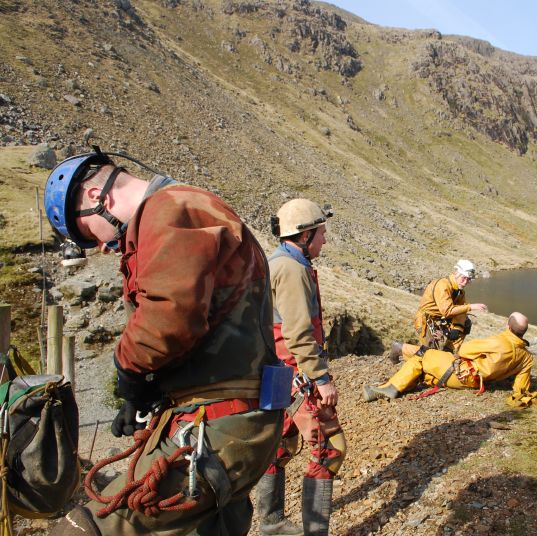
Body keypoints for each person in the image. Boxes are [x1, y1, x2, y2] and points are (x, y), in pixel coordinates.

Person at [45, 149, 283, 535]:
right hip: (226, 421)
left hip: (221, 425)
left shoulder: (169, 210)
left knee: (88, 529)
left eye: (89, 234)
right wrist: (146, 393)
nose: (102, 247)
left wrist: (129, 371)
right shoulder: (175, 212)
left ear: (95, 197)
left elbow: (172, 313)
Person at [256, 199, 345, 536]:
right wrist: (321, 378)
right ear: (305, 235)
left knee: (280, 444)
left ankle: (271, 522)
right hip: (298, 374)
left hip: (278, 373)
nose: (324, 239)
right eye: (321, 232)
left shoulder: (279, 261)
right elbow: (297, 333)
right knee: (330, 450)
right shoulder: (293, 271)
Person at [365, 312, 537, 406]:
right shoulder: (526, 357)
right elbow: (521, 385)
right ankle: (398, 366)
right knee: (428, 363)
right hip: (476, 383)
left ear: (508, 326)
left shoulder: (499, 341)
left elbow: (465, 350)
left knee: (423, 355)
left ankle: (391, 388)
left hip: (460, 373)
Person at [410, 259, 488, 354]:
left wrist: (456, 328)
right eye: (463, 278)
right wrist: (471, 307)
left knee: (466, 323)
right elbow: (447, 311)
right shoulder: (443, 285)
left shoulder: (459, 291)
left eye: (468, 279)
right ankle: (401, 349)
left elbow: (461, 311)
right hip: (426, 320)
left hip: (440, 319)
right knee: (429, 353)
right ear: (456, 274)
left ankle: (449, 351)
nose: (465, 282)